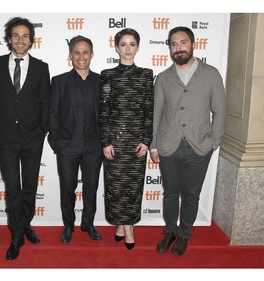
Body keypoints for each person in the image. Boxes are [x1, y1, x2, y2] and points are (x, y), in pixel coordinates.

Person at [150, 26, 226, 256]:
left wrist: (213, 142)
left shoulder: (211, 74)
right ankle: (170, 231)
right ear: (170, 48)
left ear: (193, 45)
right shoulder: (163, 78)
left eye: (183, 42)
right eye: (173, 44)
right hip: (169, 145)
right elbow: (157, 113)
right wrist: (154, 144)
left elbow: (220, 111)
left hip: (199, 146)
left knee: (191, 195)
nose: (178, 47)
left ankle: (184, 234)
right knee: (170, 193)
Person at [0, 17, 50, 261]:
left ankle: (25, 223)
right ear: (9, 38)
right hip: (6, 139)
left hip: (33, 137)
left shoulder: (41, 67)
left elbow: (45, 101)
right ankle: (16, 236)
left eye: (25, 36)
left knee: (30, 187)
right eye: (16, 35)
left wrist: (42, 130)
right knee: (13, 188)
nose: (20, 40)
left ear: (31, 40)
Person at [99, 28, 154, 250]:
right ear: (116, 47)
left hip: (136, 143)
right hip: (114, 142)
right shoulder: (107, 75)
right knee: (115, 188)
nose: (128, 49)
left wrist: (147, 140)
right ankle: (122, 224)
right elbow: (104, 111)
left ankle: (128, 226)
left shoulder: (146, 74)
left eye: (132, 44)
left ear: (138, 47)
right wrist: (105, 141)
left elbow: (149, 111)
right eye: (123, 44)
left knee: (133, 187)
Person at [48, 35, 103, 244]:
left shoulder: (101, 81)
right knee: (67, 189)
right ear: (70, 56)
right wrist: (56, 143)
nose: (81, 56)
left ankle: (88, 224)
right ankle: (68, 225)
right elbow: (52, 114)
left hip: (93, 147)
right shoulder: (59, 81)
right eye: (77, 52)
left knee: (91, 189)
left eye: (85, 52)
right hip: (67, 147)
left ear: (92, 54)